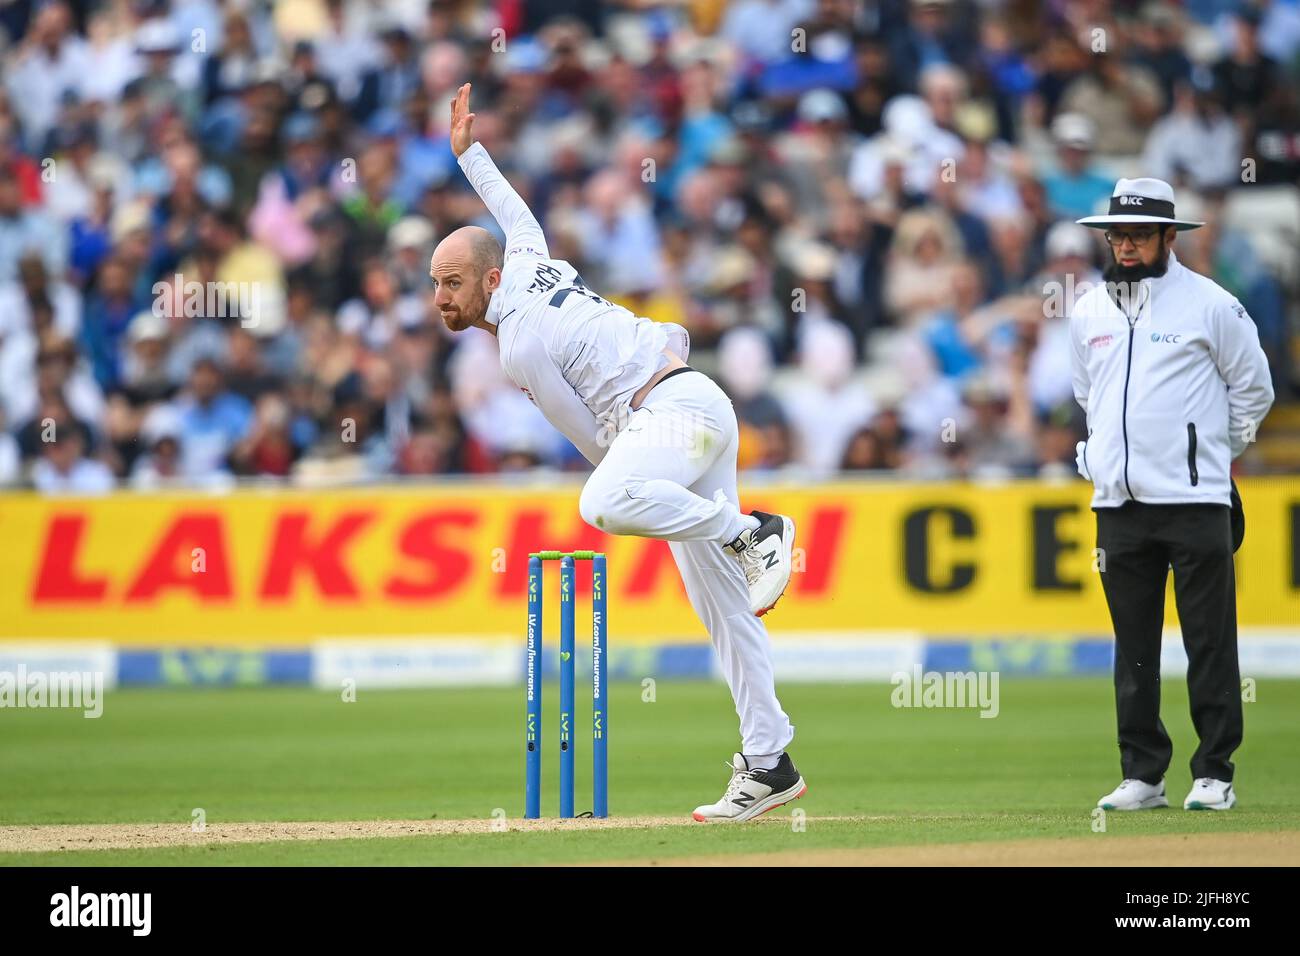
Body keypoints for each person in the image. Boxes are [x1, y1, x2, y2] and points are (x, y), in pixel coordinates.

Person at [432, 84, 805, 823]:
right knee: (727, 613)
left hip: (669, 416)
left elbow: (593, 441)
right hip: (694, 407)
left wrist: (648, 484)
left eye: (452, 284)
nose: (440, 298)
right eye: (435, 285)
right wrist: (469, 152)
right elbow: (516, 213)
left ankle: (755, 532)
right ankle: (770, 763)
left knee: (601, 500)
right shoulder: (530, 256)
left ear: (492, 279)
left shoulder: (519, 347)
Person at [1070, 178, 1274, 812]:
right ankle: (1143, 774)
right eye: (1117, 235)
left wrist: (1209, 455)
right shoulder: (1088, 310)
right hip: (1118, 505)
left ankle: (1214, 772)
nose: (1125, 246)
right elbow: (1088, 396)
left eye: (1137, 235)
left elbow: (1255, 390)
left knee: (1209, 640)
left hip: (1195, 502)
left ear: (1168, 237)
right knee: (1133, 645)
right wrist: (1102, 453)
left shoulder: (1211, 304)